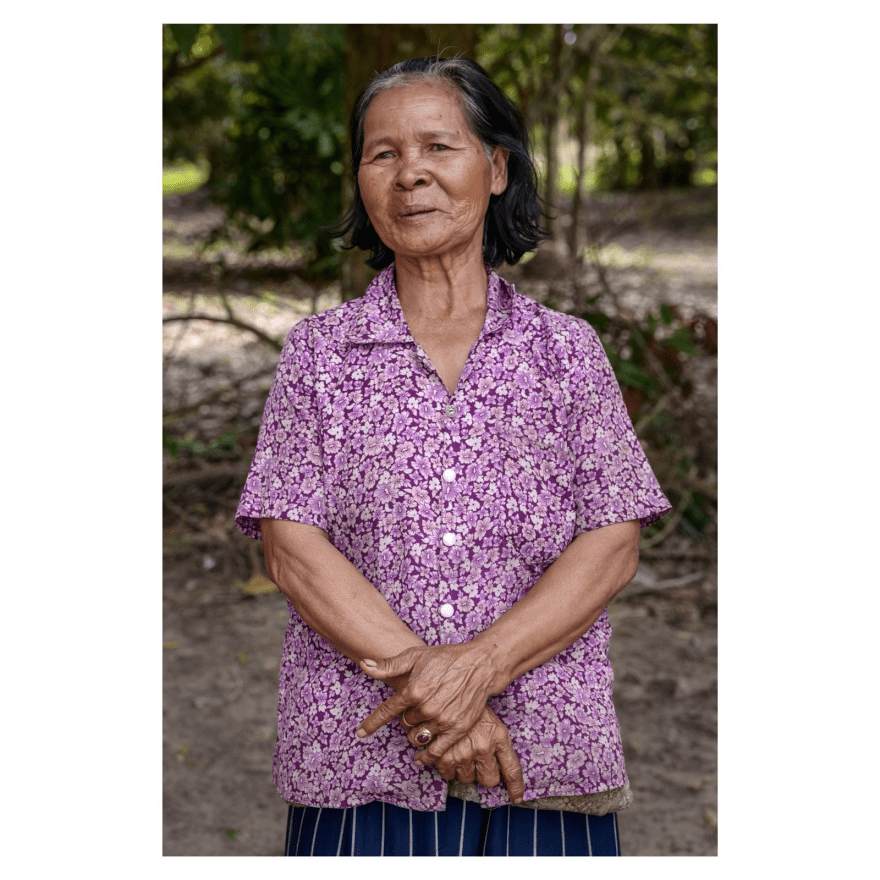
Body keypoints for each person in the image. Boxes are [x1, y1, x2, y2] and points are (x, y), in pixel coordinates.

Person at [236, 55, 670, 857]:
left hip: (540, 754)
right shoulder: (319, 355)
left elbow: (613, 541)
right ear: (362, 181)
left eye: (440, 147)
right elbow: (292, 548)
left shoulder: (565, 351)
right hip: (360, 755)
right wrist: (441, 698)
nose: (411, 177)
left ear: (497, 168)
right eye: (383, 154)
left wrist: (479, 668)